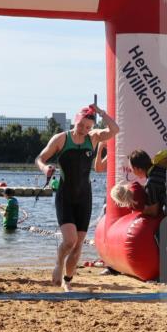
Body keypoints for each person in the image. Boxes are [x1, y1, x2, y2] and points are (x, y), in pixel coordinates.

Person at [36, 101, 118, 290]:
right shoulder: (61, 139)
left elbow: (114, 129)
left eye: (88, 127)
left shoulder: (94, 138)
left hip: (84, 197)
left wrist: (101, 112)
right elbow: (39, 158)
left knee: (79, 243)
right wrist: (44, 168)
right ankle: (58, 263)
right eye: (81, 125)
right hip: (65, 195)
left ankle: (68, 279)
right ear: (75, 121)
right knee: (70, 240)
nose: (83, 130)